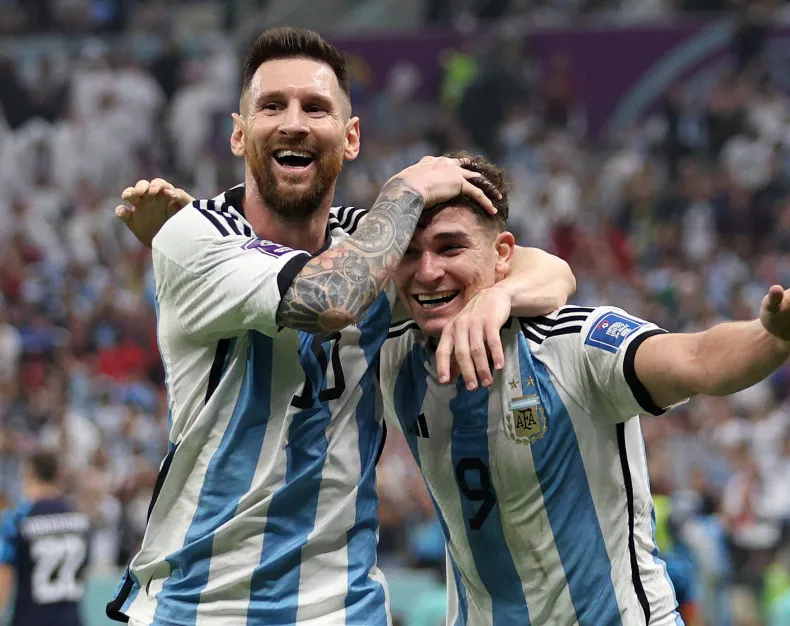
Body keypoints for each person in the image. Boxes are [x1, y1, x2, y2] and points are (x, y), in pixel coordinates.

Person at [110, 27, 574, 626]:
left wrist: (497, 296)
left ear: (350, 137)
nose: (294, 123)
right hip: (204, 607)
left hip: (347, 609)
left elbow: (548, 269)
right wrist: (406, 190)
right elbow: (331, 297)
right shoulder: (197, 236)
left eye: (315, 107)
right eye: (272, 106)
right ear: (238, 133)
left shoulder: (371, 242)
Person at [378, 155, 790, 625]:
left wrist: (770, 340)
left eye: (450, 248)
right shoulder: (396, 362)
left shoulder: (570, 344)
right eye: (410, 253)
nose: (428, 271)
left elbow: (697, 358)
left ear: (503, 255)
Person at [0, 450, 91, 626]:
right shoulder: (79, 519)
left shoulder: (18, 519)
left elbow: (4, 573)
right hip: (71, 619)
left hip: (31, 618)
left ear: (29, 473)